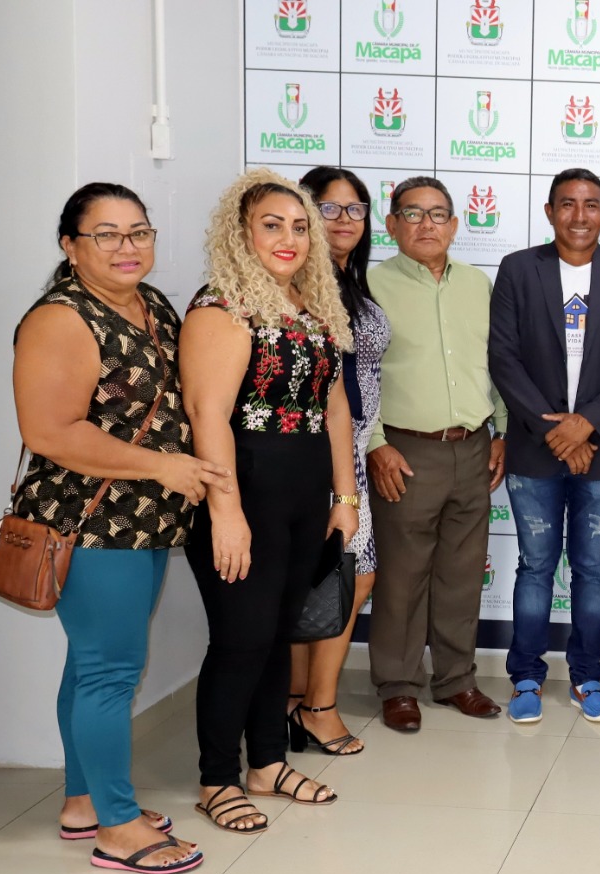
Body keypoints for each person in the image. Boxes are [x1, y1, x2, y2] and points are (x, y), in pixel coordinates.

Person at [10, 183, 226, 874]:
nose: (127, 246)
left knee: (89, 665)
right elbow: (48, 431)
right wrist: (161, 465)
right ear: (71, 247)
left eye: (139, 231)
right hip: (93, 525)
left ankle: (82, 802)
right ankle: (118, 826)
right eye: (106, 234)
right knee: (110, 673)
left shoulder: (152, 304)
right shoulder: (60, 318)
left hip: (149, 523)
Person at [181, 168, 356, 831]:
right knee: (240, 637)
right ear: (240, 232)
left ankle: (269, 762)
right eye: (272, 225)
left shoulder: (310, 307)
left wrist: (344, 496)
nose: (289, 238)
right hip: (245, 488)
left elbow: (334, 406)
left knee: (277, 633)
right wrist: (225, 512)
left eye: (300, 226)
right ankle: (217, 776)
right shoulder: (221, 307)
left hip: (306, 489)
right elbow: (208, 414)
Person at [488, 169, 600, 723]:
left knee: (591, 568)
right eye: (567, 204)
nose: (579, 216)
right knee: (535, 567)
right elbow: (503, 359)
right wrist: (554, 430)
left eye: (590, 205)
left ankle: (587, 677)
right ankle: (527, 677)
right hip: (536, 449)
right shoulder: (517, 270)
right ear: (548, 210)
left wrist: (588, 426)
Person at [366, 177, 508, 732]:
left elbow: (494, 364)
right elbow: (359, 378)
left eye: (438, 214)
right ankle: (398, 686)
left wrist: (502, 430)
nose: (427, 225)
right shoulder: (370, 287)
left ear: (454, 224)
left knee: (462, 574)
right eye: (413, 214)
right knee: (402, 576)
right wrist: (376, 445)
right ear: (393, 224)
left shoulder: (477, 284)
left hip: (473, 448)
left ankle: (456, 680)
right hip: (405, 451)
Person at [284, 166, 391, 756]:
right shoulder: (300, 283)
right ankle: (315, 707)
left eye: (356, 209)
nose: (345, 219)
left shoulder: (347, 280)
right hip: (320, 451)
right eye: (329, 208)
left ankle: (300, 701)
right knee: (344, 573)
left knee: (332, 574)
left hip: (348, 450)